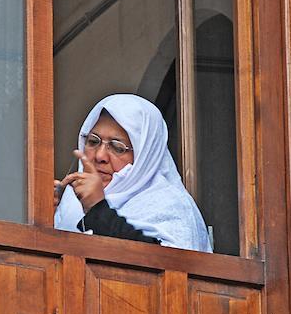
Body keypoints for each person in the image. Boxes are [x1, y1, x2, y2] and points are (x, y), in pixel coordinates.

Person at [53, 94, 212, 252]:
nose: (100, 156)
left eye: (117, 147)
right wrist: (47, 215)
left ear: (145, 156)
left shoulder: (173, 206)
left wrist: (97, 209)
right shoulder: (71, 201)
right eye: (93, 141)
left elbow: (169, 268)